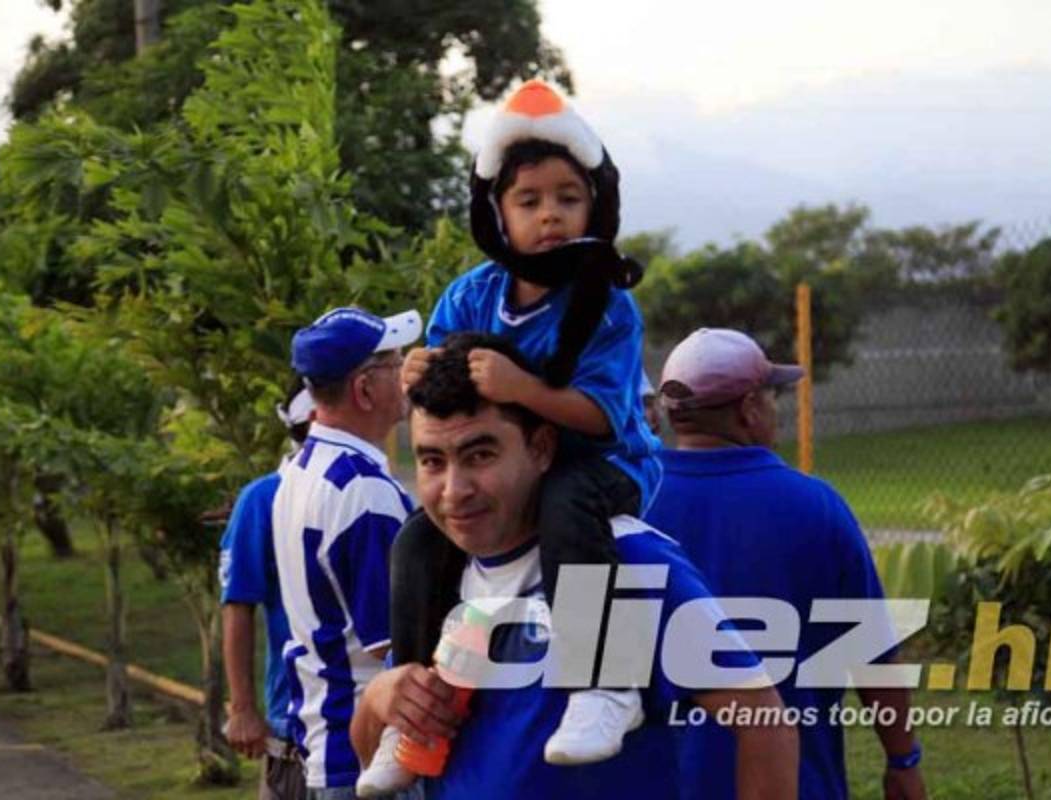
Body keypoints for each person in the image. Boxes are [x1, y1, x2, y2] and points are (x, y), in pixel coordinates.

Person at [351, 333, 799, 800]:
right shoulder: (435, 570)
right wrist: (381, 699)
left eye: (480, 456)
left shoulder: (631, 560)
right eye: (432, 461)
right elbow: (370, 753)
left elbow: (765, 724)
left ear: (541, 448)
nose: (454, 490)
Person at [382, 79, 661, 784]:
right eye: (529, 201)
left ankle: (606, 683)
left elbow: (604, 417)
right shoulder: (469, 294)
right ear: (496, 213)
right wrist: (417, 373)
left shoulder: (607, 304)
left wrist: (524, 390)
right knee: (417, 540)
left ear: (597, 205)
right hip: (507, 471)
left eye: (568, 198)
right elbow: (443, 394)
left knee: (568, 505)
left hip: (603, 463)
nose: (551, 215)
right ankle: (414, 706)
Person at [644, 328, 928, 800]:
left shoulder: (635, 505)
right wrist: (903, 762)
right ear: (748, 409)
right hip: (796, 783)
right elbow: (872, 653)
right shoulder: (816, 506)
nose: (777, 410)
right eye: (772, 396)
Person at [273, 307, 423, 799]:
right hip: (368, 748)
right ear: (364, 389)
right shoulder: (363, 491)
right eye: (395, 363)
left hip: (327, 737)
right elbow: (392, 640)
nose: (405, 373)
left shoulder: (302, 470)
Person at [220, 382, 315, 800]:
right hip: (294, 738)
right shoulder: (264, 499)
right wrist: (242, 707)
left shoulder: (377, 487)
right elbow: (237, 603)